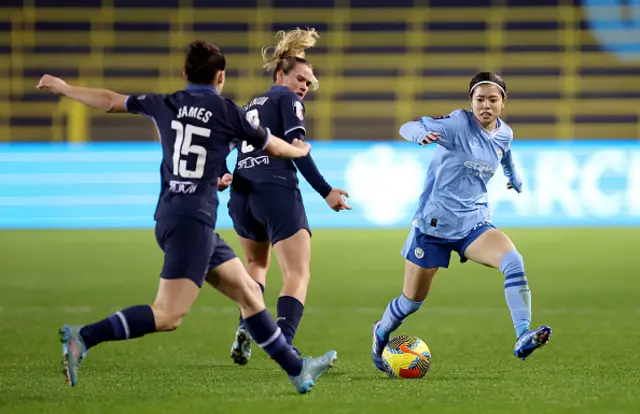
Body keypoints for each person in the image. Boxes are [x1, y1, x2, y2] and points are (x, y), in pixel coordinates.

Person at [36, 40, 336, 394]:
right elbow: (272, 144)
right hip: (193, 221)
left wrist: (66, 88)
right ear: (221, 76)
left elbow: (110, 100)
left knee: (250, 295)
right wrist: (299, 149)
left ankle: (298, 371)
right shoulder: (226, 111)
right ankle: (83, 337)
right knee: (168, 315)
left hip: (175, 216)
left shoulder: (167, 103)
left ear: (184, 74)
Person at [370, 72, 552, 372]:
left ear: (503, 103)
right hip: (433, 227)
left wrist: (514, 179)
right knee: (411, 301)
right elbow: (409, 125)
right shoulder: (456, 124)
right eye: (479, 99)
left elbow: (505, 154)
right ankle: (380, 332)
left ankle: (522, 336)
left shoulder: (505, 133)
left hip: (474, 224)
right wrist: (419, 135)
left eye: (493, 99)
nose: (486, 105)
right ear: (471, 102)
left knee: (513, 261)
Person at [225, 28, 350, 365]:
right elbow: (296, 149)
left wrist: (221, 173)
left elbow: (226, 146)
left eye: (308, 84)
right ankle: (284, 343)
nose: (304, 88)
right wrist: (326, 191)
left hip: (241, 194)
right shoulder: (286, 100)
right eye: (301, 79)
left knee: (256, 264)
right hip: (275, 189)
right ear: (281, 74)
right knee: (297, 272)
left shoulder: (248, 106)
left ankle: (245, 328)